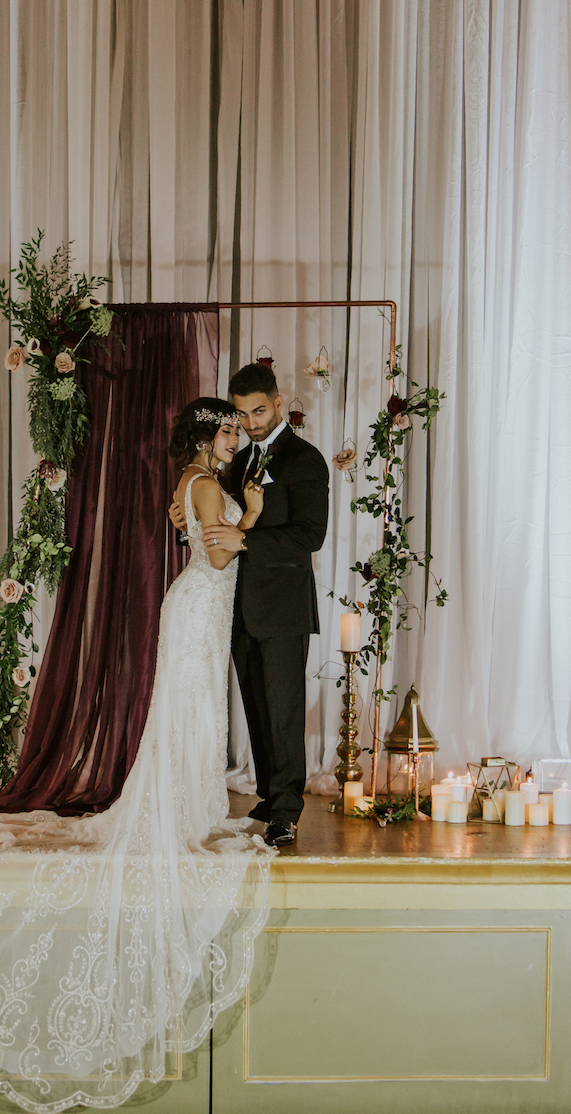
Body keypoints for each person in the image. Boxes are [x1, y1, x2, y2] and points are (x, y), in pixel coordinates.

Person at [0, 398, 275, 1112]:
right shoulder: (203, 482)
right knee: (189, 712)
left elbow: (206, 536)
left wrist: (237, 514)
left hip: (204, 607)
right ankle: (180, 813)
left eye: (237, 427)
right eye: (228, 428)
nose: (236, 436)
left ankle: (192, 806)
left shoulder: (198, 481)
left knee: (195, 716)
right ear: (206, 436)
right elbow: (223, 548)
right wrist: (253, 515)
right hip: (201, 605)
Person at [181, 363, 329, 847]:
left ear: (279, 402)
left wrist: (247, 544)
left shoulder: (306, 460)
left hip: (284, 607)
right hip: (239, 605)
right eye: (242, 414)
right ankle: (269, 793)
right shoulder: (239, 462)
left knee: (284, 711)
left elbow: (311, 535)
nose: (250, 422)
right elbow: (218, 514)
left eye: (259, 411)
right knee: (257, 709)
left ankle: (287, 809)